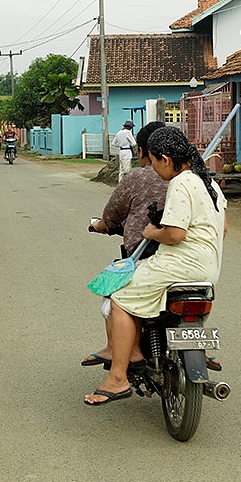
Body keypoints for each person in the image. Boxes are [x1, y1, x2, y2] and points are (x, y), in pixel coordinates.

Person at [84, 127, 227, 405]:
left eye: (153, 160)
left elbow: (174, 234)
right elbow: (221, 231)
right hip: (208, 271)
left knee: (119, 298)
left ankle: (118, 377)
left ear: (163, 158)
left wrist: (151, 233)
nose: (154, 168)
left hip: (177, 266)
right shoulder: (210, 185)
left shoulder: (181, 183)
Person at [82, 121, 168, 368]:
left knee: (115, 290)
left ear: (145, 151)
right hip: (190, 257)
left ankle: (125, 351)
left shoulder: (137, 176)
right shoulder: (193, 178)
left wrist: (101, 224)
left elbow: (111, 215)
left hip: (146, 255)